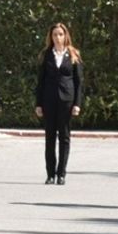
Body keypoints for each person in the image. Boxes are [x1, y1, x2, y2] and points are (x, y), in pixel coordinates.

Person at [34, 22, 83, 185]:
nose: (57, 37)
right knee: (49, 138)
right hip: (49, 101)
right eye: (55, 34)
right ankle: (50, 174)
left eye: (60, 34)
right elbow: (40, 81)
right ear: (51, 37)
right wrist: (38, 104)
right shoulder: (46, 55)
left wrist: (77, 104)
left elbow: (79, 82)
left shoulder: (73, 54)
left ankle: (61, 173)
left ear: (65, 36)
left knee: (64, 137)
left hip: (66, 101)